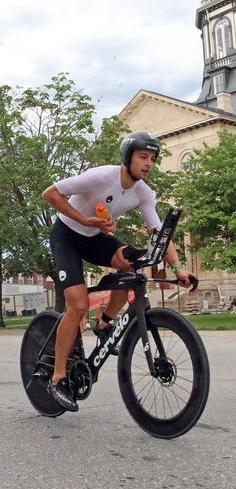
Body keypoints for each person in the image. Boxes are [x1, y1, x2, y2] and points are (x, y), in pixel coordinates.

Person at [42, 131, 192, 412]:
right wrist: (85, 219)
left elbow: (158, 233)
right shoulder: (101, 176)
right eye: (143, 157)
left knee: (135, 264)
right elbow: (50, 193)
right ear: (128, 158)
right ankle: (58, 377)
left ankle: (104, 322)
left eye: (152, 159)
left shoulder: (144, 192)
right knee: (78, 305)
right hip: (67, 234)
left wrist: (178, 267)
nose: (148, 164)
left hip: (96, 236)